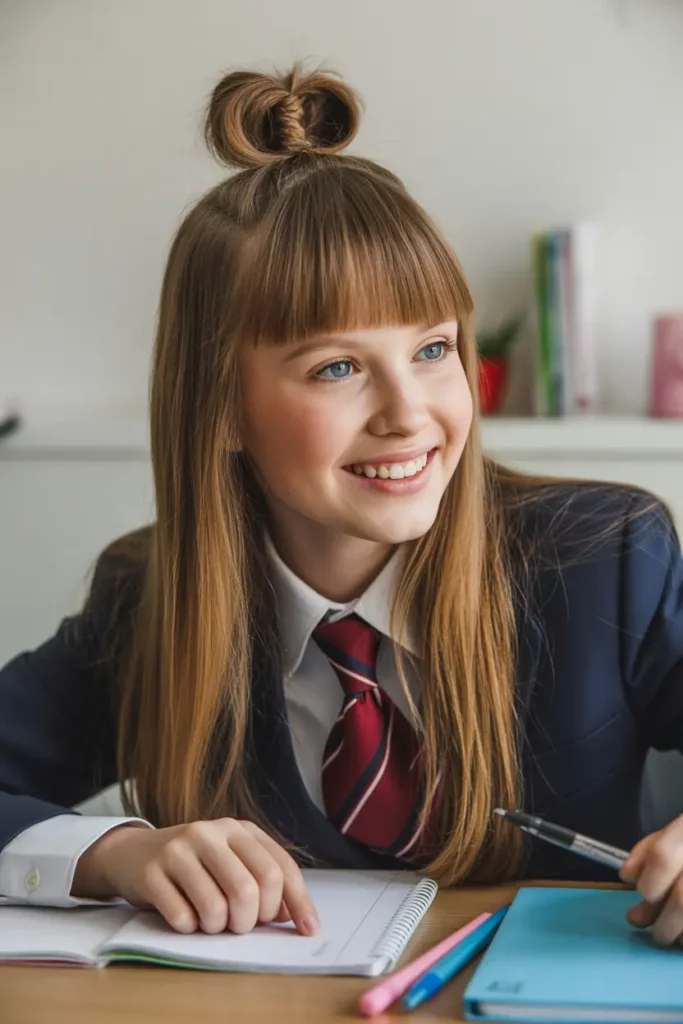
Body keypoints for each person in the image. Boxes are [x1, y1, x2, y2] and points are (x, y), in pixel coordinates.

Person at [1, 63, 683, 948]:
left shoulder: (605, 556)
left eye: (432, 349)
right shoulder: (147, 599)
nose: (408, 414)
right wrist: (115, 853)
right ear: (221, 409)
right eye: (337, 367)